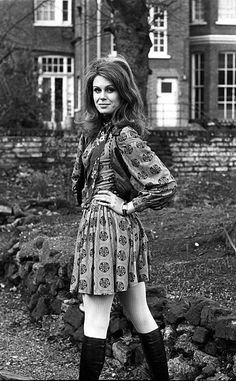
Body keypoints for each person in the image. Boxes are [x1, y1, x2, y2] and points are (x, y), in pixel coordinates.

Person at [70, 54, 177, 381]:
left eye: (110, 90)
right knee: (138, 312)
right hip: (105, 228)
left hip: (107, 230)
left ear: (123, 93)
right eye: (97, 90)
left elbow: (165, 185)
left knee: (96, 320)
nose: (102, 97)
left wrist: (129, 205)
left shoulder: (124, 135)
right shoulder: (96, 132)